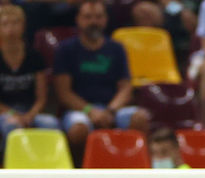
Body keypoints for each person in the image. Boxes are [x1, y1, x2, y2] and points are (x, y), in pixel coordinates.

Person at [53, 0, 151, 156]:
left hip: (111, 108)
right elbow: (64, 93)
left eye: (98, 17)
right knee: (78, 129)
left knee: (140, 118)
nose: (94, 22)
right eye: (88, 17)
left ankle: (132, 169)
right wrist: (91, 111)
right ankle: (82, 173)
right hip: (80, 110)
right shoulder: (66, 49)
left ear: (106, 19)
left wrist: (110, 111)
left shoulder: (117, 48)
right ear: (78, 19)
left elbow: (125, 87)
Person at [0, 3, 59, 140]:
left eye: (15, 23)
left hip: (31, 110)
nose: (11, 28)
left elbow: (41, 98)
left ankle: (47, 161)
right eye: (5, 24)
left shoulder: (35, 57)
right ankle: (11, 161)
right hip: (5, 112)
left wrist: (30, 115)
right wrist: (14, 115)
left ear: (23, 26)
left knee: (51, 124)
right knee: (12, 126)